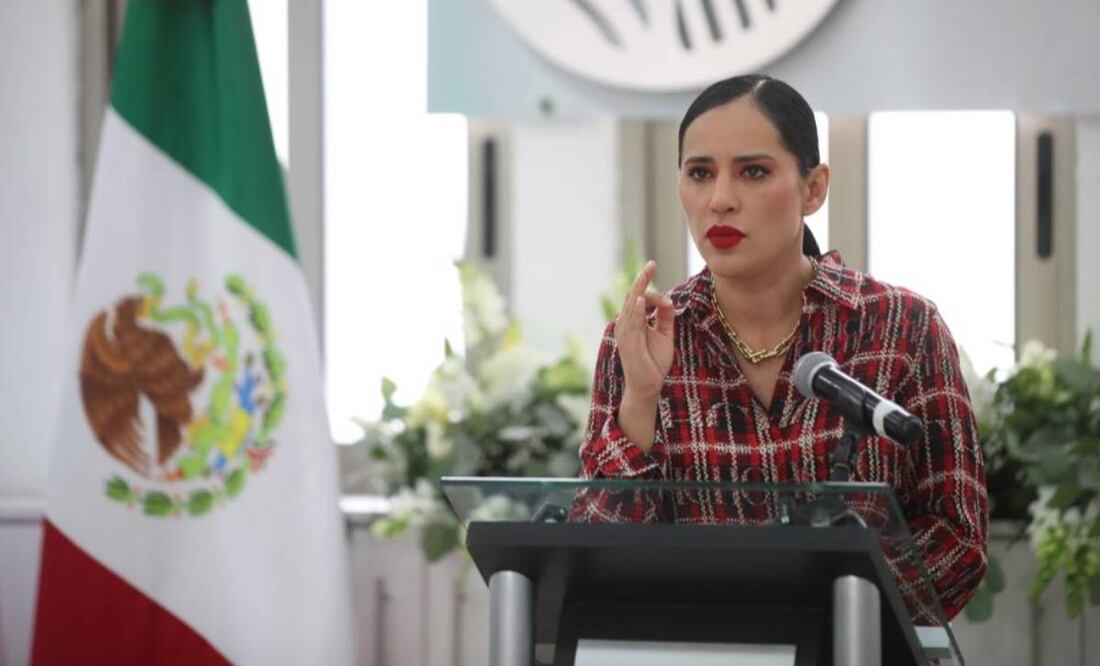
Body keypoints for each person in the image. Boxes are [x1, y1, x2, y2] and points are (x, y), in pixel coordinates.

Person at [577, 74, 988, 620]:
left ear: (814, 188)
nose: (720, 199)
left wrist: (815, 620)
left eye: (753, 171)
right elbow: (597, 556)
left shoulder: (902, 328)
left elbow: (957, 539)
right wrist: (641, 403)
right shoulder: (639, 336)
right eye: (700, 173)